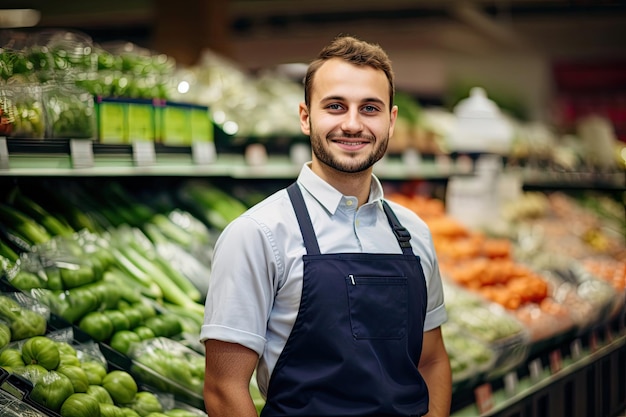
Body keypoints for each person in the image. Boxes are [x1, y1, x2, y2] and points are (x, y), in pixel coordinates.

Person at [201, 34, 452, 417]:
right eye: (335, 106)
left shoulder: (413, 234)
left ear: (391, 120)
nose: (352, 124)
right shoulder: (258, 234)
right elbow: (224, 389)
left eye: (370, 108)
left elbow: (432, 361)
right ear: (306, 117)